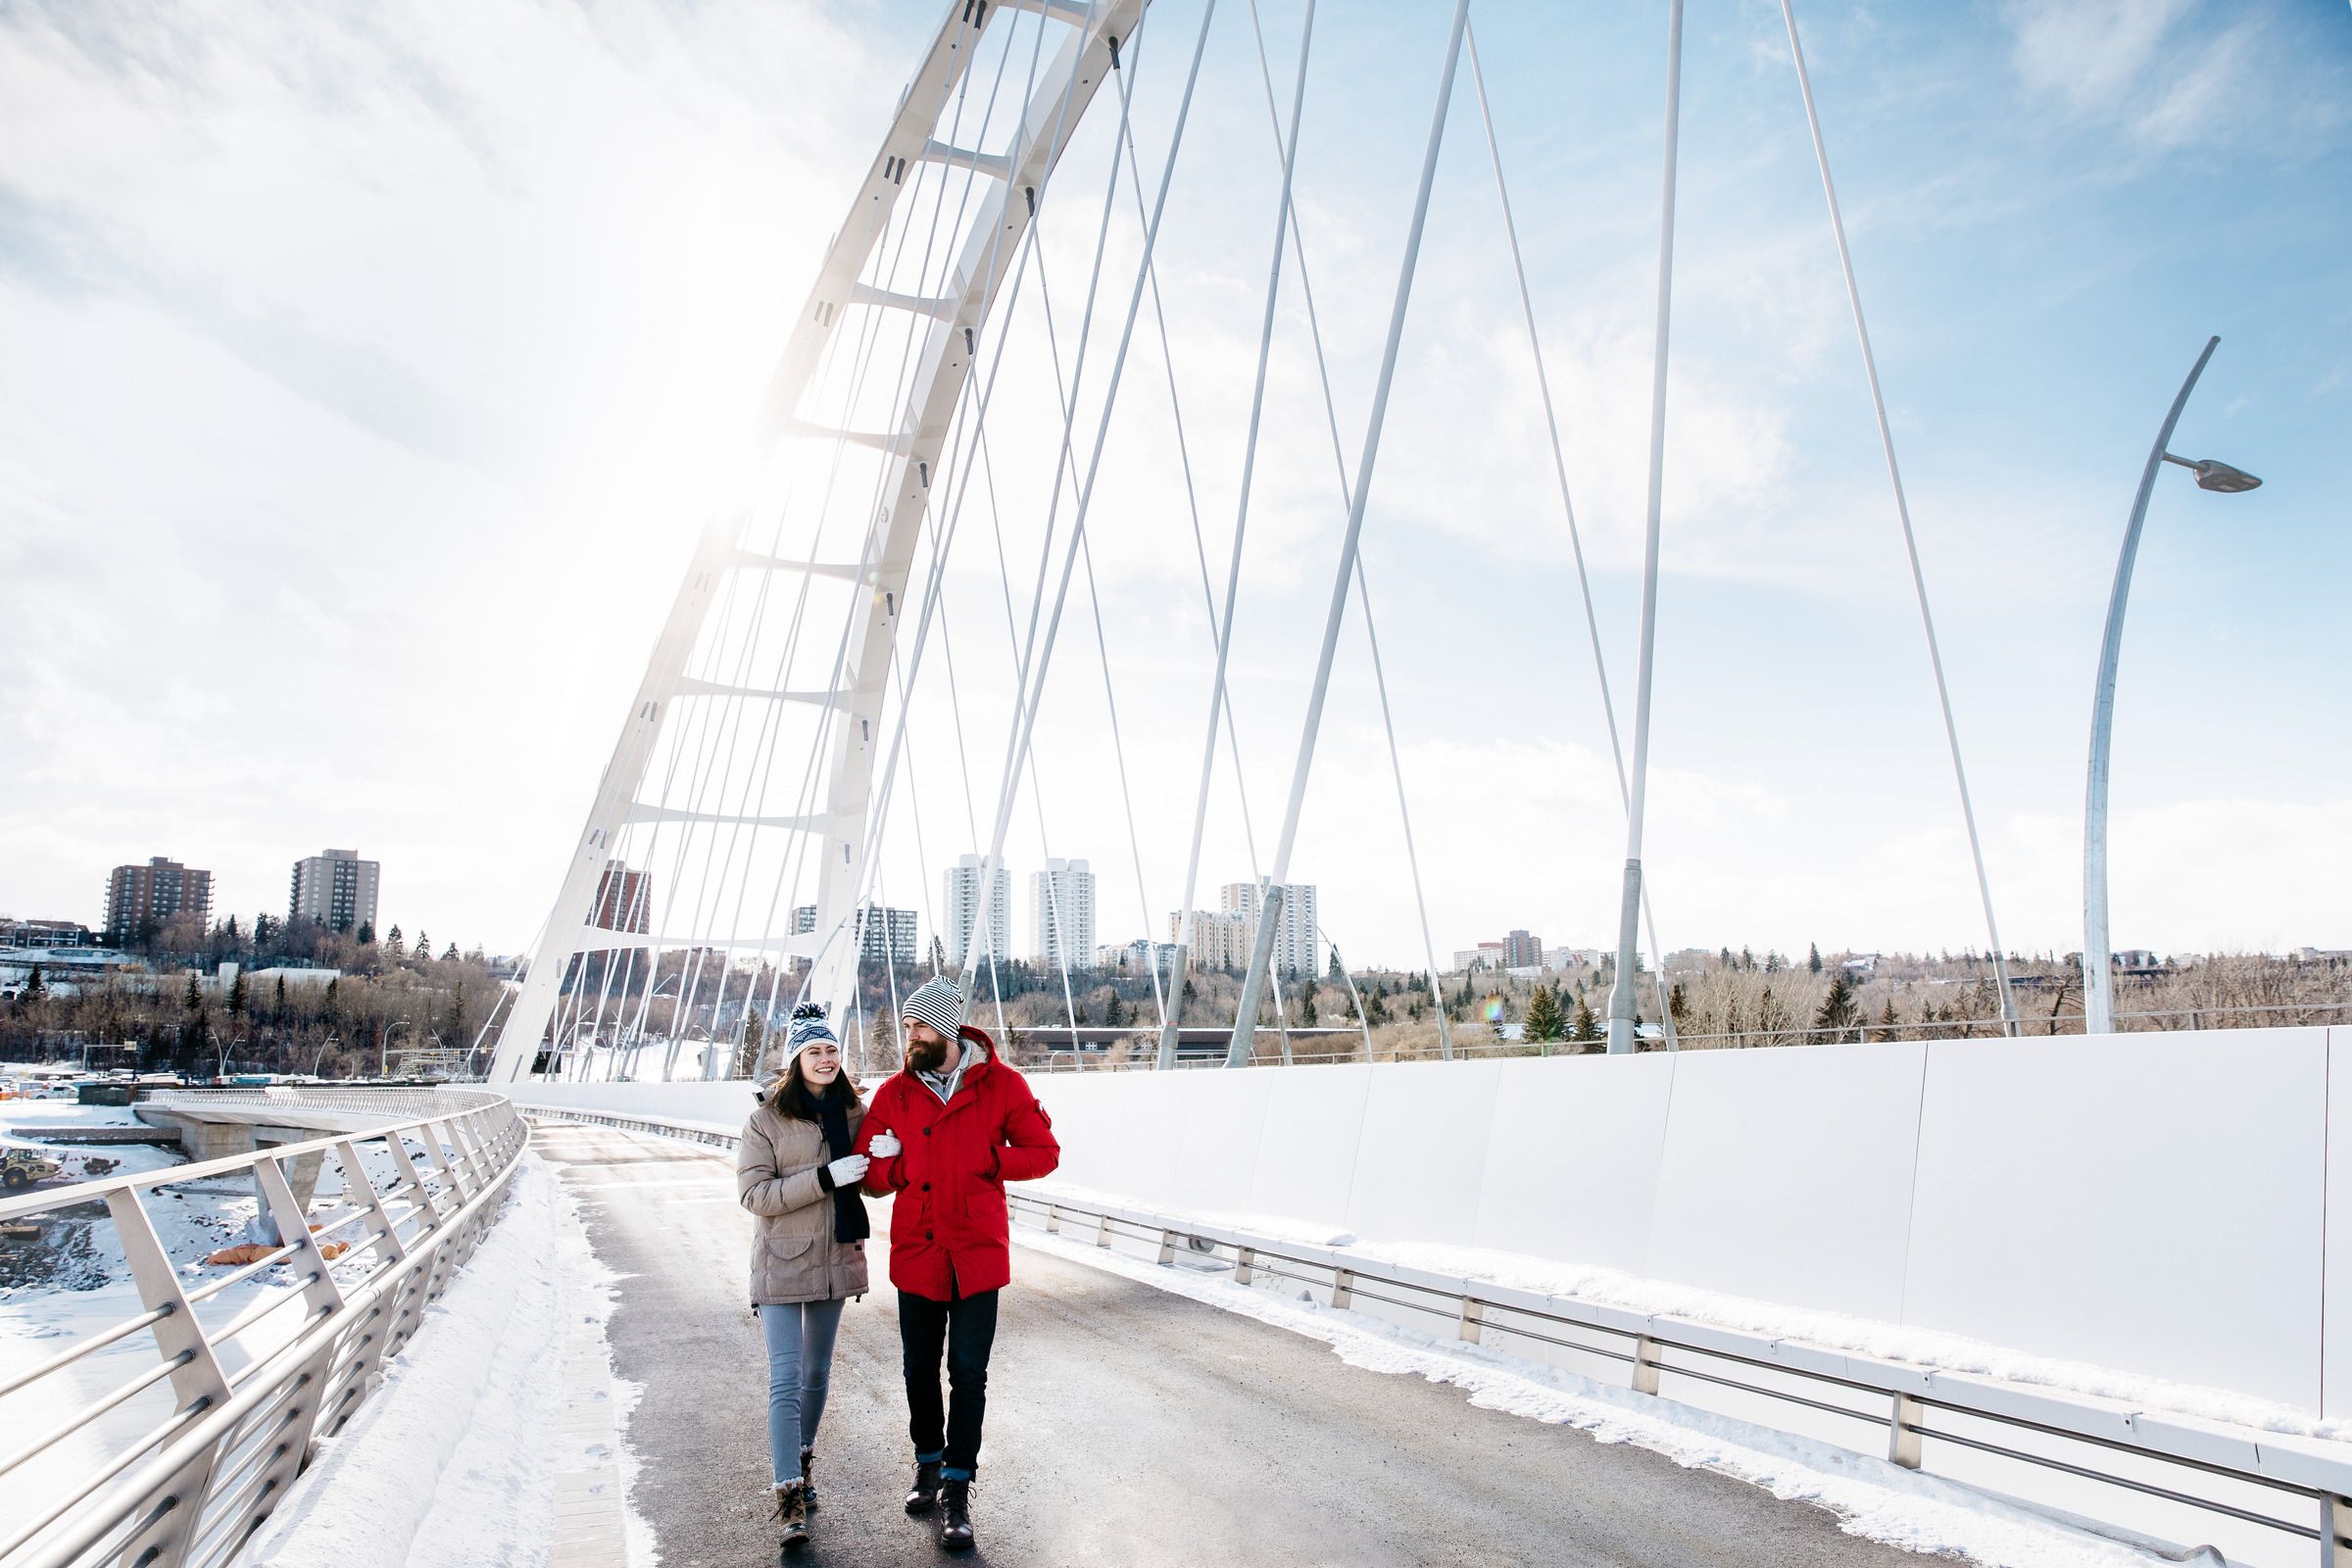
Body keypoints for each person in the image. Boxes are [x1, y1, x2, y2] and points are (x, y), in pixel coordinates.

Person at [856, 976, 1060, 1552]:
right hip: (918, 1248)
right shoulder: (894, 1094)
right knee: (918, 1368)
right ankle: (927, 1460)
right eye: (908, 1026)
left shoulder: (1003, 1086)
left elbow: (1045, 1154)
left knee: (968, 1374)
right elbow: (866, 1174)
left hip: (976, 1252)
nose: (909, 1035)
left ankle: (957, 1486)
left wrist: (990, 1159)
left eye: (919, 1025)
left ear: (945, 1029)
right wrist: (893, 1168)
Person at [737, 1004, 871, 1553]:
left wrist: (886, 1159)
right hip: (782, 1262)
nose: (825, 1058)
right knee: (786, 1377)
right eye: (814, 1050)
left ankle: (804, 1458)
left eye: (832, 1050)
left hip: (837, 1257)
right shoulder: (764, 1120)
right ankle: (789, 1492)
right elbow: (754, 1196)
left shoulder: (855, 1114)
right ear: (795, 1059)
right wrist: (822, 1178)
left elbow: (874, 1185)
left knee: (817, 1374)